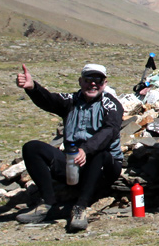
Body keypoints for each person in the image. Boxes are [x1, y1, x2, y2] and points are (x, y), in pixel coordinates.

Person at [14, 63, 123, 232]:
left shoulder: (111, 105)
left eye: (98, 80)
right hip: (73, 163)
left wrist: (86, 150)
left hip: (103, 168)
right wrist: (32, 87)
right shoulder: (70, 101)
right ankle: (47, 204)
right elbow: (49, 100)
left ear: (105, 83)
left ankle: (80, 207)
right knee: (32, 148)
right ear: (80, 81)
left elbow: (109, 132)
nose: (93, 84)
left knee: (100, 153)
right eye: (88, 80)